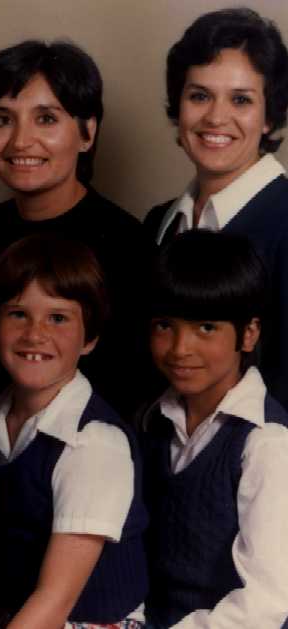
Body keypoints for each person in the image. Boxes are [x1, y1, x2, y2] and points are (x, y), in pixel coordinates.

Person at [0, 39, 154, 424]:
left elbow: (133, 388)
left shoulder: (127, 244)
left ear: (87, 133)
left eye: (46, 118)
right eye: (2, 119)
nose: (20, 140)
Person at [0, 234, 148, 629]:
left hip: (83, 621)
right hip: (13, 612)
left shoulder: (93, 443)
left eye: (57, 318)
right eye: (18, 314)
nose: (34, 334)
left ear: (89, 338)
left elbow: (55, 600)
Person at [141, 230, 288, 628]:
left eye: (206, 328)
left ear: (249, 333)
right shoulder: (153, 421)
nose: (179, 349)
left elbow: (264, 604)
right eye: (164, 325)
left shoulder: (266, 444)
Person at [143, 7, 288, 410]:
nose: (216, 117)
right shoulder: (160, 223)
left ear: (269, 116)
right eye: (199, 96)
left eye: (240, 99)